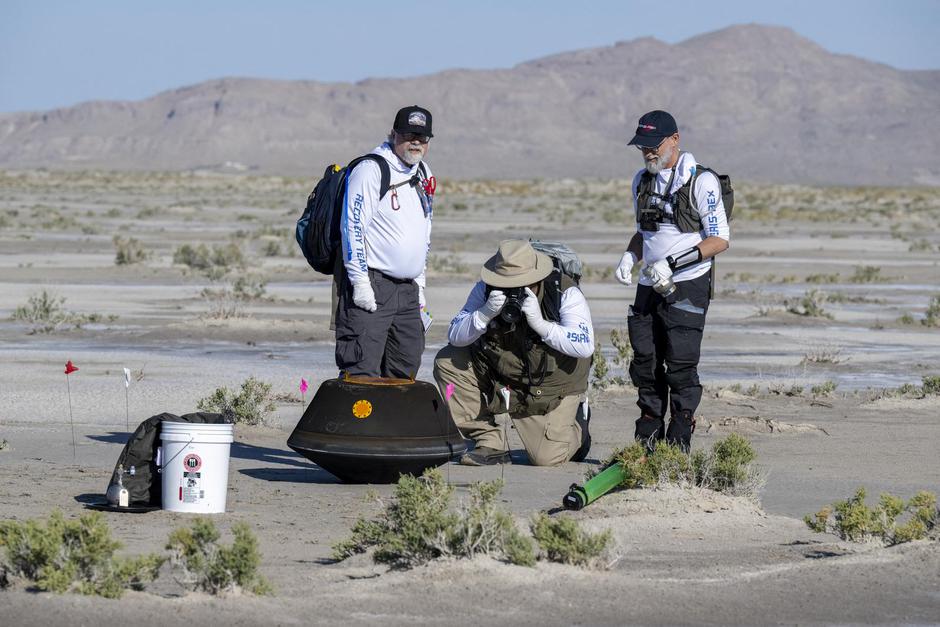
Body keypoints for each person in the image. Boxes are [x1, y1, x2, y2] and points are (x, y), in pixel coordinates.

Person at [613, 110, 730, 453]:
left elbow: (719, 239)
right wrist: (629, 257)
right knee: (645, 364)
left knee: (680, 365)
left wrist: (673, 263)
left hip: (688, 285)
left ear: (674, 140)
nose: (648, 152)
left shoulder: (701, 182)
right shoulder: (641, 180)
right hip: (650, 285)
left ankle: (678, 444)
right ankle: (647, 441)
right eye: (642, 147)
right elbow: (643, 234)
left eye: (654, 145)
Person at [434, 240, 594, 466]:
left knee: (546, 458)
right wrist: (483, 314)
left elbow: (585, 344)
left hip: (551, 385)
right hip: (504, 373)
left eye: (521, 283)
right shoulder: (485, 289)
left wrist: (542, 325)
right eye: (505, 283)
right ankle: (488, 441)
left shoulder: (563, 292)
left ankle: (579, 424)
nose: (512, 290)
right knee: (448, 360)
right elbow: (455, 335)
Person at [335, 105, 435, 379]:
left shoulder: (423, 172)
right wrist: (360, 284)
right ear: (393, 134)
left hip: (408, 291)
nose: (415, 142)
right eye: (408, 134)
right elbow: (352, 227)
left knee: (405, 368)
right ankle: (357, 423)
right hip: (373, 283)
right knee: (362, 369)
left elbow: (424, 231)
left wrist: (421, 286)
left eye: (422, 137)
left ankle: (394, 423)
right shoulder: (371, 169)